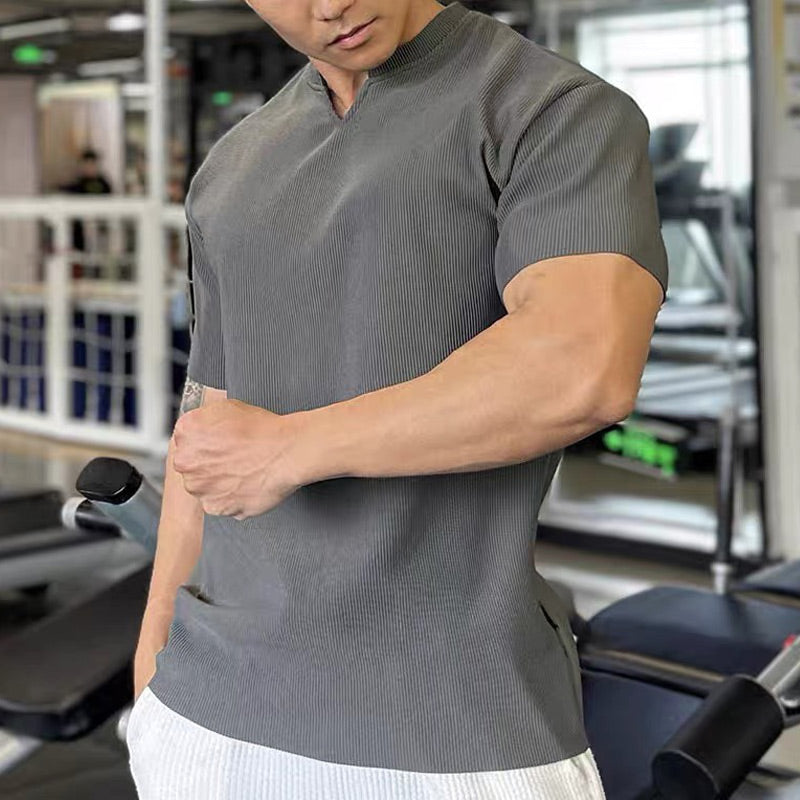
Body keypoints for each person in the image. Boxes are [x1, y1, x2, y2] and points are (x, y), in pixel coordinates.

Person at [127, 2, 667, 798]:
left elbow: (579, 366)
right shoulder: (235, 164)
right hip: (206, 715)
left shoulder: (551, 111)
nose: (327, 5)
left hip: (455, 730)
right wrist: (155, 661)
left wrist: (291, 448)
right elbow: (206, 427)